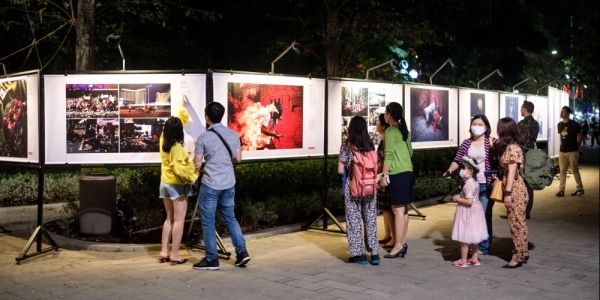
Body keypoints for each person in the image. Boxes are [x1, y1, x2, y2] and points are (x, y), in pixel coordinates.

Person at [193, 102, 250, 270]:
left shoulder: (204, 137)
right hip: (228, 183)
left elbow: (197, 164)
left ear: (207, 117)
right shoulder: (233, 135)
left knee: (208, 221)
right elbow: (238, 159)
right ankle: (242, 252)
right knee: (230, 217)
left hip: (210, 184)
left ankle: (212, 259)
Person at [443, 115, 497, 256]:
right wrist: (450, 170)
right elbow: (457, 159)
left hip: (486, 184)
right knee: (470, 216)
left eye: (480, 124)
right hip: (469, 185)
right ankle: (473, 246)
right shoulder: (466, 143)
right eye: (474, 123)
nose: (476, 126)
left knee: (484, 215)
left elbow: (503, 157)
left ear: (486, 127)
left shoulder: (492, 142)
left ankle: (483, 247)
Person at [338, 116, 380, 265]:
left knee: (354, 221)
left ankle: (359, 255)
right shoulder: (370, 145)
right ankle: (374, 254)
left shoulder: (347, 145)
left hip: (353, 189)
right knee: (370, 220)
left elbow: (339, 169)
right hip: (370, 189)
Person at [158, 116, 197, 265]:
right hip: (177, 186)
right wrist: (193, 169)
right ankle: (174, 254)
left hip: (164, 183)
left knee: (169, 219)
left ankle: (164, 252)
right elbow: (180, 170)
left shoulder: (163, 141)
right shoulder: (178, 148)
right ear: (179, 131)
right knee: (179, 220)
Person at [379, 102, 414, 259]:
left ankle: (398, 245)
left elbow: (389, 155)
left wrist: (384, 175)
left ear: (388, 114)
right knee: (403, 210)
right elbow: (410, 152)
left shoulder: (391, 130)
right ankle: (402, 242)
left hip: (398, 174)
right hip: (408, 172)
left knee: (397, 211)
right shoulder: (404, 130)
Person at [494, 117, 529, 268]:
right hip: (516, 189)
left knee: (516, 224)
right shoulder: (512, 147)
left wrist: (507, 194)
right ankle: (523, 251)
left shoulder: (513, 148)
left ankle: (518, 256)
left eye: (499, 128)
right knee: (519, 222)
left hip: (515, 191)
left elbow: (512, 172)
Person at [501, 101, 538, 220]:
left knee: (517, 180)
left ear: (525, 109)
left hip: (520, 156)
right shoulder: (536, 124)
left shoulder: (521, 124)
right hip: (531, 156)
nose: (520, 110)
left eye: (521, 108)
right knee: (528, 184)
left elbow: (518, 141)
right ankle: (527, 211)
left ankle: (515, 208)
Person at [450, 156, 488, 268]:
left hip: (467, 212)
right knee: (474, 237)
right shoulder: (476, 182)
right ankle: (474, 258)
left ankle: (463, 261)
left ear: (471, 170)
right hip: (476, 212)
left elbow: (469, 201)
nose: (461, 170)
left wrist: (457, 199)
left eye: (464, 168)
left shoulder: (468, 184)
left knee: (464, 239)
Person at [375, 114, 394, 248]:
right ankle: (388, 235)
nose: (376, 124)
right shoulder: (384, 139)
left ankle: (393, 237)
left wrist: (372, 172)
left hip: (385, 176)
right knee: (385, 209)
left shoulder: (385, 141)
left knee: (387, 209)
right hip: (384, 175)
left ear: (382, 126)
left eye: (377, 122)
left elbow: (383, 162)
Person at [556, 106, 584, 197]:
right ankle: (561, 190)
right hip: (562, 151)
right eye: (561, 111)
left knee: (574, 169)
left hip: (572, 151)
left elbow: (580, 136)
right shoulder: (559, 125)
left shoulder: (574, 124)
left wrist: (577, 147)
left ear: (568, 114)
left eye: (563, 112)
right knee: (562, 170)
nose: (561, 113)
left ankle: (580, 188)